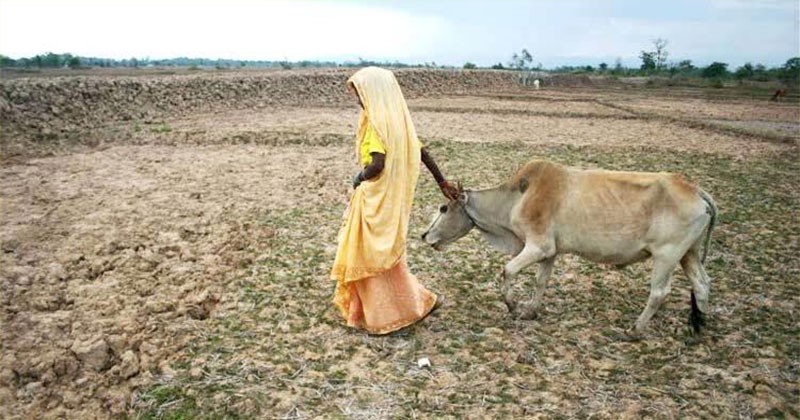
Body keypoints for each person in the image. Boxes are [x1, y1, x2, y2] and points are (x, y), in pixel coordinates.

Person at [331, 67, 458, 335]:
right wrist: (442, 182)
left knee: (368, 254)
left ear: (374, 93)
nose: (357, 99)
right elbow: (421, 153)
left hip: (374, 199)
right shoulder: (399, 121)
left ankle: (386, 314)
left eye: (360, 93)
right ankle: (409, 303)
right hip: (389, 203)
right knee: (385, 254)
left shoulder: (377, 123)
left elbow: (377, 164)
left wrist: (359, 177)